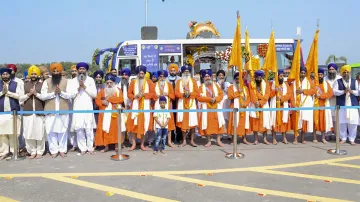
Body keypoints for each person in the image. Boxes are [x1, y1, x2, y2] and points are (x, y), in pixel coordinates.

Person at [38, 63, 74, 158]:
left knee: (63, 130)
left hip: (63, 109)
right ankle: (53, 150)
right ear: (51, 72)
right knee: (50, 131)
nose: (56, 72)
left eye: (58, 71)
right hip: (50, 110)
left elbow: (71, 94)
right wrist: (54, 93)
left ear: (61, 71)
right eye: (54, 71)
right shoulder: (47, 81)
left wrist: (61, 93)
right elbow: (42, 96)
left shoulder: (67, 81)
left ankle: (62, 150)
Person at [70, 62, 97, 155]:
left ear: (86, 70)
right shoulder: (73, 81)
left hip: (88, 107)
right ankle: (82, 148)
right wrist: (78, 87)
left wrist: (84, 87)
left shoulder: (91, 80)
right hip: (77, 108)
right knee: (79, 129)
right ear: (77, 70)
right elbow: (71, 95)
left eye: (83, 69)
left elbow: (94, 95)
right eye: (80, 69)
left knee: (89, 129)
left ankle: (90, 148)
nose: (81, 70)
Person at [127, 65, 155, 151]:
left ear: (144, 73)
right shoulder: (133, 82)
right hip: (135, 106)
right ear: (137, 74)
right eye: (139, 73)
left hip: (145, 107)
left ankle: (142, 144)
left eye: (142, 73)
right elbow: (129, 94)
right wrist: (135, 96)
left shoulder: (149, 82)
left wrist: (144, 95)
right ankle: (134, 144)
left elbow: (153, 94)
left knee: (144, 125)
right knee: (134, 126)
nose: (141, 75)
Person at [20, 66, 45, 159]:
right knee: (28, 132)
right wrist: (29, 94)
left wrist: (36, 94)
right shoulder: (25, 84)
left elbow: (45, 97)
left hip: (39, 111)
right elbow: (20, 98)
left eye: (35, 73)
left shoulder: (42, 85)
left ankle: (39, 151)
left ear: (38, 74)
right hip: (28, 112)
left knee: (40, 132)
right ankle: (32, 151)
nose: (33, 75)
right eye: (32, 74)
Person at [95, 74, 125, 152]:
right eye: (107, 83)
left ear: (114, 83)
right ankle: (106, 146)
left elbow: (121, 100)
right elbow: (97, 100)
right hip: (105, 114)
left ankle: (116, 146)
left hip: (115, 113)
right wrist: (102, 102)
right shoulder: (102, 91)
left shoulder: (118, 90)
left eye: (110, 82)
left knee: (116, 130)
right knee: (105, 129)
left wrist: (109, 99)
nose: (109, 84)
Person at [197, 69, 226, 147]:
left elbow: (221, 95)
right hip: (207, 109)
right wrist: (209, 99)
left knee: (218, 124)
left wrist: (215, 99)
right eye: (205, 76)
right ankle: (209, 141)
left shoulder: (216, 86)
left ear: (211, 77)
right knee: (207, 125)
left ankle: (218, 141)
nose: (207, 78)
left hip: (216, 108)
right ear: (203, 78)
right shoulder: (201, 87)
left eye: (208, 76)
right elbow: (199, 97)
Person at [289, 66, 316, 144]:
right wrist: (294, 105)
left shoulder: (309, 82)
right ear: (299, 73)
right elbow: (291, 95)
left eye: (304, 73)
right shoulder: (294, 83)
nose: (303, 74)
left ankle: (303, 138)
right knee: (296, 121)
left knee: (304, 121)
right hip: (297, 105)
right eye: (301, 73)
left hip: (306, 105)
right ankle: (295, 138)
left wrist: (303, 91)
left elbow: (314, 91)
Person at [333, 65, 359, 145]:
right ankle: (343, 138)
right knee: (342, 122)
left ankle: (352, 139)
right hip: (342, 105)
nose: (346, 73)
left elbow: (358, 92)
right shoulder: (338, 81)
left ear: (350, 73)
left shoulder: (355, 81)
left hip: (353, 105)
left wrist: (352, 91)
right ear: (342, 73)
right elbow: (335, 92)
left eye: (347, 72)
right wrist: (343, 91)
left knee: (353, 123)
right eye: (344, 72)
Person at [0, 67, 21, 160]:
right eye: (3, 74)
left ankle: (14, 152)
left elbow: (19, 96)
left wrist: (8, 93)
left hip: (13, 112)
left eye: (6, 74)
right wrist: (2, 93)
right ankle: (4, 152)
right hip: (1, 113)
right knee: (2, 134)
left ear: (9, 75)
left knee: (13, 133)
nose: (5, 76)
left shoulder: (16, 84)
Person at [175, 65, 199, 147]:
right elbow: (176, 93)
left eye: (187, 72)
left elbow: (197, 93)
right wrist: (183, 94)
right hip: (182, 104)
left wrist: (190, 94)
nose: (186, 73)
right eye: (184, 72)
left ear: (189, 72)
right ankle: (184, 141)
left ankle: (192, 141)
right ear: (182, 72)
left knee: (192, 123)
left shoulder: (193, 81)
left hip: (191, 104)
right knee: (183, 123)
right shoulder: (179, 82)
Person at [227, 72, 251, 144]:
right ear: (234, 80)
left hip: (244, 107)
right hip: (234, 107)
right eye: (237, 79)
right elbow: (230, 96)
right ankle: (234, 139)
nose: (238, 81)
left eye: (240, 79)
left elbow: (248, 98)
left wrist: (245, 103)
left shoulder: (245, 88)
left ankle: (244, 138)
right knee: (234, 123)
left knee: (244, 123)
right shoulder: (231, 87)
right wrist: (238, 92)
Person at [269, 70, 292, 144]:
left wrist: (282, 99)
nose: (282, 77)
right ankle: (274, 138)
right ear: (277, 77)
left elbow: (289, 94)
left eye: (282, 76)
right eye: (280, 76)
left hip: (283, 106)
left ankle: (284, 138)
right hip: (275, 107)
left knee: (283, 122)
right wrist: (274, 91)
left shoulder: (285, 84)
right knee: (274, 122)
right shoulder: (273, 84)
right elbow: (269, 94)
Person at [154, 70, 176, 147]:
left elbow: (173, 97)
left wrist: (168, 94)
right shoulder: (155, 85)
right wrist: (156, 96)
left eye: (163, 76)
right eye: (160, 76)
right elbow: (151, 97)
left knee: (169, 123)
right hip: (157, 106)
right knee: (157, 124)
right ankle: (158, 142)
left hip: (167, 106)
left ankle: (169, 141)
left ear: (165, 77)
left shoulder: (169, 85)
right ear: (158, 77)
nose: (162, 78)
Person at [249, 70, 271, 145]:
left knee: (265, 122)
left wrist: (261, 102)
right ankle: (256, 139)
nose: (258, 79)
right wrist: (256, 102)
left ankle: (264, 139)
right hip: (254, 105)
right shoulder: (251, 84)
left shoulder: (266, 84)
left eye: (260, 77)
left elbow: (267, 95)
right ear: (255, 77)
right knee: (255, 122)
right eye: (257, 77)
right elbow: (251, 94)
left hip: (264, 105)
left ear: (262, 77)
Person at [313, 68, 333, 143]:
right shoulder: (313, 84)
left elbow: (330, 93)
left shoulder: (326, 83)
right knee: (315, 122)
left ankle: (323, 138)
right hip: (315, 106)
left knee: (323, 122)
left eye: (321, 75)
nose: (319, 76)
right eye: (318, 75)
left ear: (323, 75)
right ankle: (314, 137)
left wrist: (321, 96)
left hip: (324, 106)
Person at [325, 63, 342, 140]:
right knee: (328, 117)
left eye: (333, 69)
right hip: (327, 100)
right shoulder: (325, 78)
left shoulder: (339, 78)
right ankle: (327, 134)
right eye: (330, 69)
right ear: (328, 70)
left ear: (336, 70)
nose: (331, 71)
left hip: (337, 100)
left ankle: (337, 134)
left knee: (336, 118)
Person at [167, 63, 182, 143]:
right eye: (171, 71)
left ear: (176, 71)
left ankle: (179, 137)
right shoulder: (166, 79)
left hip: (178, 101)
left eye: (174, 70)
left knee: (178, 118)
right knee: (170, 119)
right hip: (169, 101)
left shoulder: (180, 79)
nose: (173, 72)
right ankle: (171, 137)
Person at [216, 69, 231, 140]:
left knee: (227, 118)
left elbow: (230, 92)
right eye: (219, 75)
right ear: (217, 76)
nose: (221, 76)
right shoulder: (215, 84)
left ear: (224, 76)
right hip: (219, 102)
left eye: (222, 75)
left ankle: (228, 134)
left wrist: (223, 88)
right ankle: (221, 134)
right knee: (220, 118)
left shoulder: (227, 84)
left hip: (226, 101)